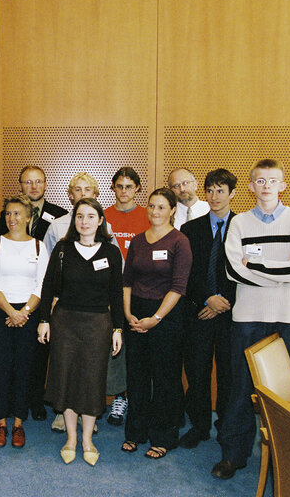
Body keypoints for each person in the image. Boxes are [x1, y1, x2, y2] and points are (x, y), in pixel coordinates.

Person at [212, 158, 290, 480]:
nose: (266, 186)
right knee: (240, 387)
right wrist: (282, 270)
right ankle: (233, 455)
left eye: (273, 181)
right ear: (252, 185)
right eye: (260, 181)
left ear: (283, 185)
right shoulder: (239, 223)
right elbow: (232, 269)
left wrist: (256, 266)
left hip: (289, 318)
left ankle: (282, 461)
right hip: (248, 318)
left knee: (282, 394)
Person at [37, 198, 123, 466]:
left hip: (98, 323)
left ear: (100, 220)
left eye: (90, 216)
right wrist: (44, 320)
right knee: (66, 378)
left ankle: (88, 439)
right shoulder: (63, 249)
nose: (84, 221)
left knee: (91, 379)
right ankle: (71, 438)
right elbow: (48, 287)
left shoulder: (110, 252)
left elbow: (116, 294)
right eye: (79, 216)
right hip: (65, 322)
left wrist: (118, 328)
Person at [121, 187, 192, 460]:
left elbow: (178, 287)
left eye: (161, 207)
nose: (155, 212)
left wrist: (156, 319)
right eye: (151, 206)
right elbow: (127, 281)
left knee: (165, 378)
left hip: (167, 316)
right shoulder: (138, 241)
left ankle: (163, 436)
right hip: (136, 314)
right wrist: (128, 314)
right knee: (137, 376)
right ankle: (135, 433)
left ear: (173, 210)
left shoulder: (179, 241)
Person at [0, 194, 49, 449]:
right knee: (0, 367)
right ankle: (1, 421)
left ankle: (19, 423)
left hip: (28, 314)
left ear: (28, 217)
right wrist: (11, 311)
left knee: (24, 368)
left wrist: (24, 312)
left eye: (18, 213)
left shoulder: (38, 246)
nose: (12, 218)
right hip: (0, 312)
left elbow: (42, 284)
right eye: (8, 214)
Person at [179, 169, 238, 449]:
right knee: (197, 373)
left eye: (221, 191)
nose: (215, 197)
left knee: (228, 374)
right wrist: (207, 299)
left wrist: (222, 301)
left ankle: (225, 426)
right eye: (210, 191)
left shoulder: (244, 227)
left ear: (232, 194)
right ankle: (200, 426)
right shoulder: (190, 230)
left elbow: (249, 271)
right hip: (199, 313)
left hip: (232, 315)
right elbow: (185, 274)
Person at [103, 166, 151, 426]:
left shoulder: (147, 215)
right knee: (115, 346)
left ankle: (139, 398)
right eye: (119, 186)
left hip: (142, 291)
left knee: (138, 348)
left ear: (138, 189)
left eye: (129, 186)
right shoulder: (103, 216)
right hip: (109, 291)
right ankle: (119, 396)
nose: (124, 191)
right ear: (113, 188)